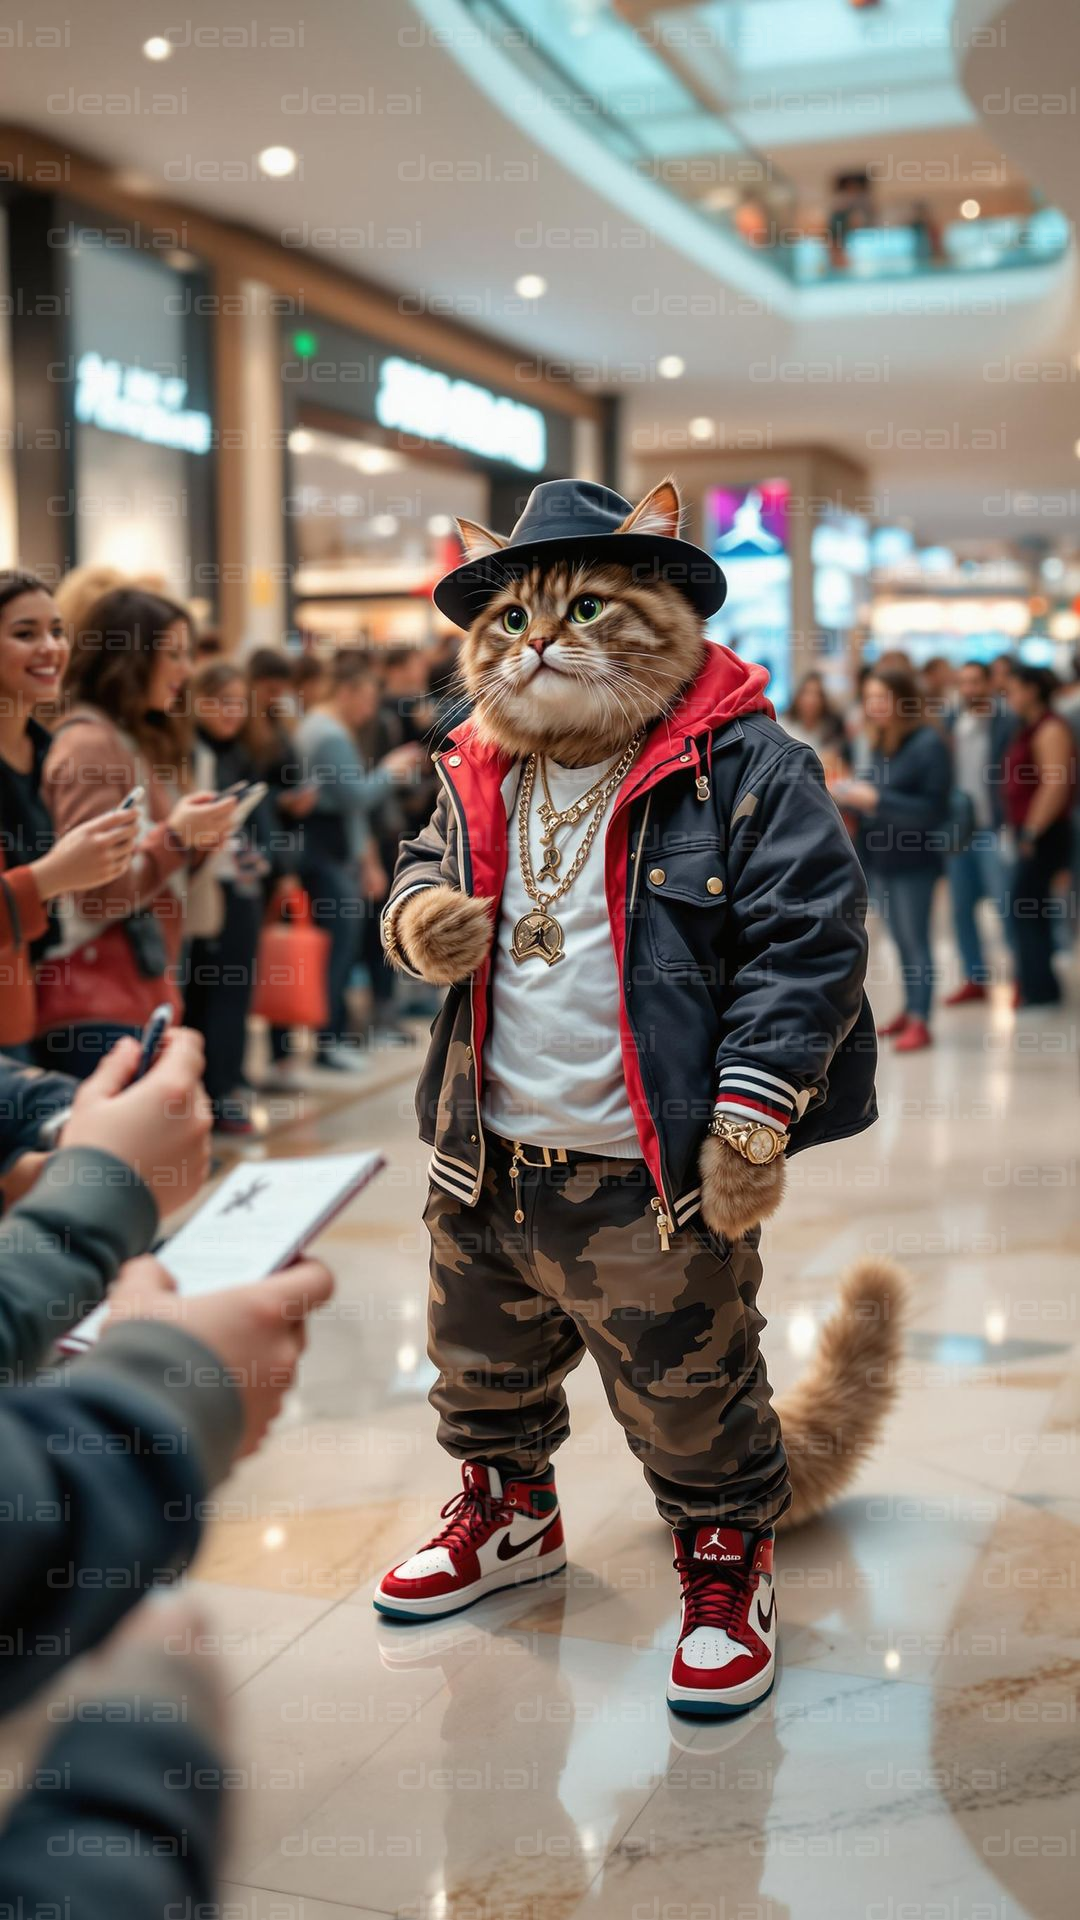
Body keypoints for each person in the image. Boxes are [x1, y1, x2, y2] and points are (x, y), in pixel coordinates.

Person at [375, 476, 902, 1722]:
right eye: (511, 620)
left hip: (650, 1169)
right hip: (487, 1156)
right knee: (479, 1370)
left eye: (588, 610)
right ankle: (509, 1514)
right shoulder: (473, 770)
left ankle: (726, 1561)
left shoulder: (748, 765)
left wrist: (751, 1112)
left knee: (693, 1396)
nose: (542, 639)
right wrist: (416, 923)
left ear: (668, 612)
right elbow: (416, 871)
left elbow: (809, 944)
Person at [36, 588, 238, 1078]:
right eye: (172, 654)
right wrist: (177, 839)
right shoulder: (90, 744)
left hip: (132, 993)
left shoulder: (123, 739)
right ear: (129, 656)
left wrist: (194, 843)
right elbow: (94, 894)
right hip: (97, 1001)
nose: (186, 670)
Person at [0, 571, 139, 1054]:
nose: (50, 647)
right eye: (25, 634)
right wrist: (50, 877)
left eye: (57, 631)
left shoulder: (44, 753)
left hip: (33, 1003)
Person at [295, 650, 419, 1069]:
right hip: (324, 851)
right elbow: (354, 798)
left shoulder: (323, 727)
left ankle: (335, 1033)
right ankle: (328, 1039)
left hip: (333, 848)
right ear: (346, 693)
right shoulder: (328, 734)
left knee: (343, 946)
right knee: (338, 947)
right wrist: (390, 770)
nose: (370, 711)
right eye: (366, 699)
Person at [833, 664, 952, 1052]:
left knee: (916, 940)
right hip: (880, 857)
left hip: (914, 859)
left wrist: (876, 800)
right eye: (869, 699)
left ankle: (921, 1018)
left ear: (903, 700)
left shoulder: (927, 744)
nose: (874, 706)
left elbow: (931, 809)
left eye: (882, 698)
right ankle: (911, 1009)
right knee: (900, 940)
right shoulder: (882, 740)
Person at [184, 661, 267, 1132]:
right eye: (219, 701)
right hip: (203, 889)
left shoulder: (239, 750)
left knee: (233, 992)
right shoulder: (188, 752)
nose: (231, 712)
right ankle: (214, 1095)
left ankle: (227, 1085)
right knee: (208, 993)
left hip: (240, 887)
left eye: (238, 701)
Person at [943, 658, 1017, 1003]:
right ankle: (975, 976)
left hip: (993, 828)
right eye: (964, 682)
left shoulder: (1007, 722)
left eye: (976, 682)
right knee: (960, 909)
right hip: (959, 832)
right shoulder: (951, 722)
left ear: (989, 683)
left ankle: (1020, 977)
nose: (970, 689)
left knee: (1006, 907)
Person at [1002, 662, 1076, 1007]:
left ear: (1032, 690)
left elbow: (1055, 784)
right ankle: (1037, 985)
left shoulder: (1050, 729)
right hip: (1029, 831)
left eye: (1014, 689)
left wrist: (1031, 831)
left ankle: (1041, 988)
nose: (1009, 697)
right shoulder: (1027, 728)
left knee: (1025, 907)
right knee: (1028, 909)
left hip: (1044, 833)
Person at [783, 671, 849, 772]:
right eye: (807, 693)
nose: (811, 700)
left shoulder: (831, 729)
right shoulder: (784, 727)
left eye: (817, 694)